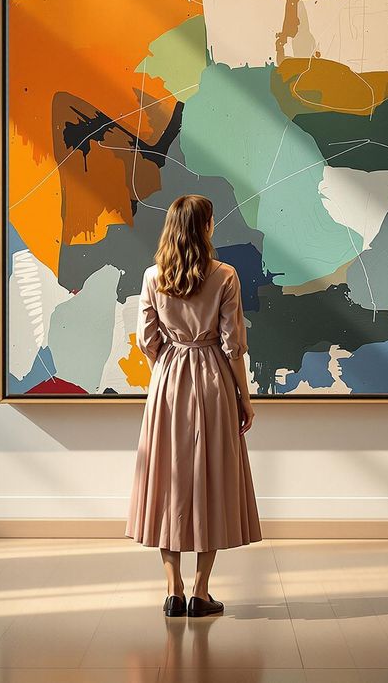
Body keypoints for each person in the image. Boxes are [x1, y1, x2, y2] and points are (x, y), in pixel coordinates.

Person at [125, 194, 261, 618]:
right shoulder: (225, 276)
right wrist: (245, 397)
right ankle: (201, 592)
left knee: (168, 480)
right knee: (211, 481)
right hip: (213, 381)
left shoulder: (152, 277)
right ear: (206, 227)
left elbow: (148, 341)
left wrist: (168, 370)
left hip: (167, 381)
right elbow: (233, 346)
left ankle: (173, 589)